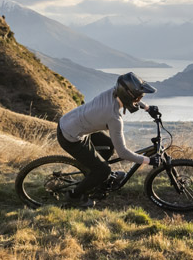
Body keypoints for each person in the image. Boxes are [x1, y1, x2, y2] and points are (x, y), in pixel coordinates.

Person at [56, 72, 161, 207]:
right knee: (103, 170)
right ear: (129, 96)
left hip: (71, 122)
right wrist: (148, 160)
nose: (138, 100)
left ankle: (96, 175)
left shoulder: (114, 92)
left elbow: (129, 94)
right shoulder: (114, 117)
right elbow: (123, 153)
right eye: (138, 98)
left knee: (110, 146)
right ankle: (74, 196)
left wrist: (146, 107)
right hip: (70, 136)